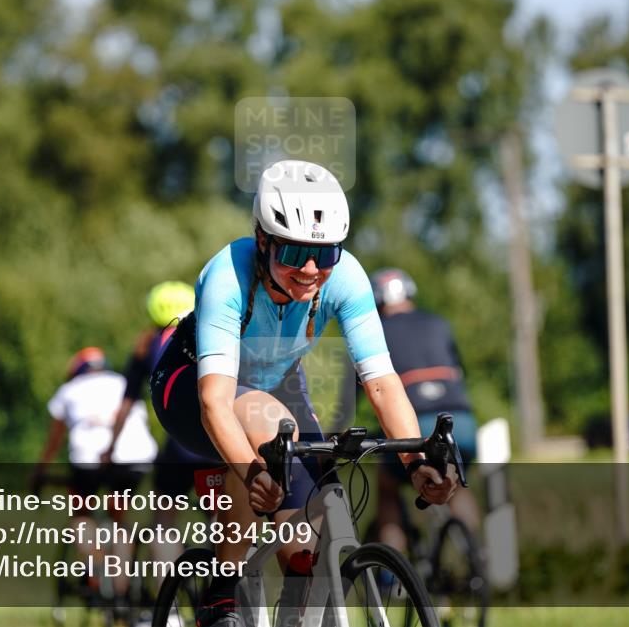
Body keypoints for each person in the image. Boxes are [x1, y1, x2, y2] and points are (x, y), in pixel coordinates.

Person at [148, 160, 459, 627]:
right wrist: (254, 473)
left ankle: (296, 608)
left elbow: (381, 382)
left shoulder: (347, 278)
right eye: (293, 254)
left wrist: (415, 462)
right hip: (190, 388)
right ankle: (221, 590)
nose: (311, 269)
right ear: (262, 241)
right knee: (261, 426)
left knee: (311, 530)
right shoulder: (228, 276)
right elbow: (216, 402)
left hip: (277, 386)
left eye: (326, 254)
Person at [360, 268, 481, 544]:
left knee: (387, 490)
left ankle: (392, 575)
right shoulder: (439, 322)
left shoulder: (375, 332)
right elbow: (460, 370)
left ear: (378, 302)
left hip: (415, 423)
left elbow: (366, 390)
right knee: (458, 488)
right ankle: (477, 561)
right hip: (460, 421)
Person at [102, 281, 217, 567]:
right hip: (217, 441)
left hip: (177, 447)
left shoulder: (146, 346)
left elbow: (126, 405)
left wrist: (110, 448)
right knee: (222, 518)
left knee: (164, 523)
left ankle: (173, 609)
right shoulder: (212, 335)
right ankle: (225, 596)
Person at [34, 347, 158, 607]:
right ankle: (121, 593)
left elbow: (54, 440)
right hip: (135, 456)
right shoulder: (123, 382)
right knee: (119, 521)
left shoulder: (69, 389)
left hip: (89, 457)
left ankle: (95, 571)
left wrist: (40, 471)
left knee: (81, 513)